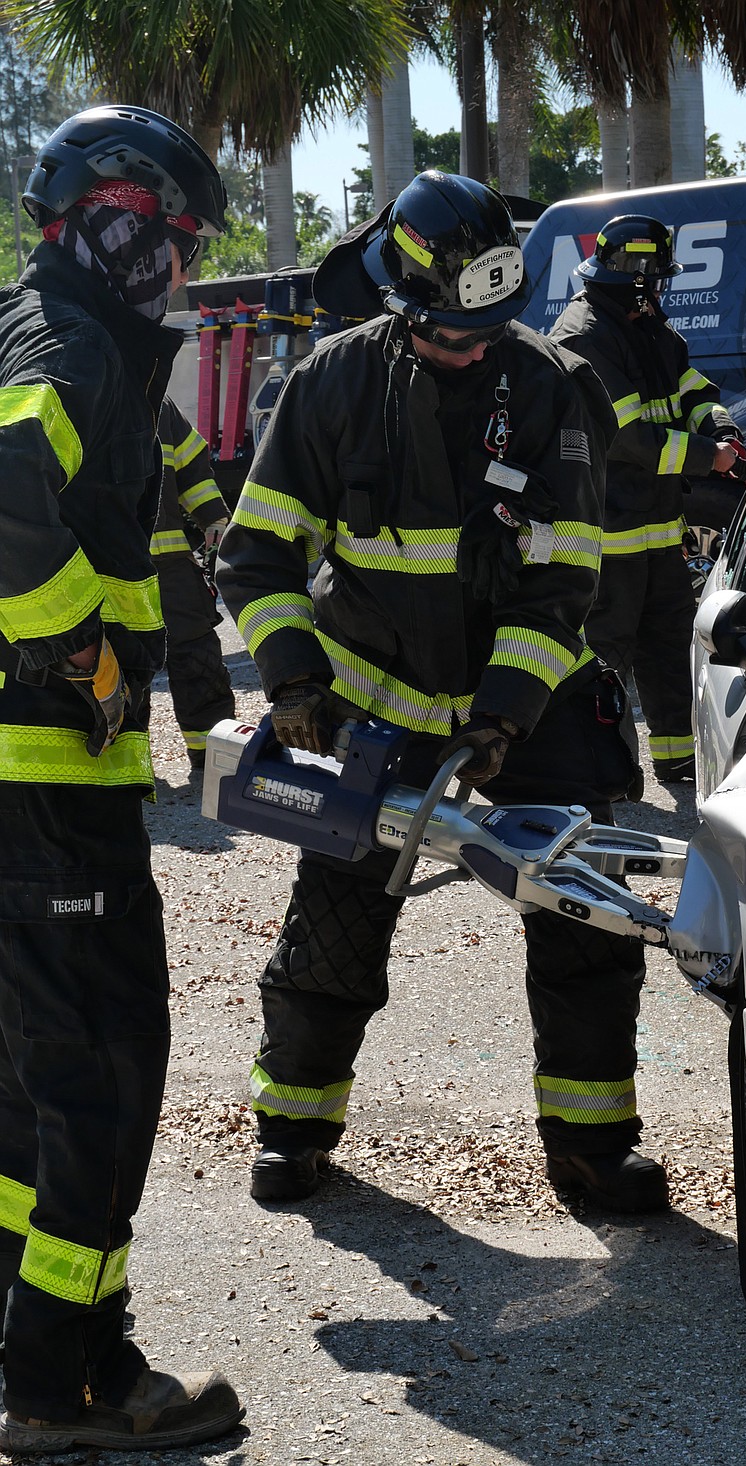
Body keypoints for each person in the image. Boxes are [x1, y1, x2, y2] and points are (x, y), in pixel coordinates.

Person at [216, 170, 669, 1216]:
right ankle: (292, 1127)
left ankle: (593, 1146)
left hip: (527, 710)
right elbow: (257, 556)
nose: (468, 348)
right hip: (367, 704)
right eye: (448, 333)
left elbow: (564, 575)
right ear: (399, 296)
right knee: (331, 928)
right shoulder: (330, 384)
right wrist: (292, 680)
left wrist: (505, 711)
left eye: (484, 333)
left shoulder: (553, 384)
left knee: (581, 924)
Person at [0, 105, 243, 1452]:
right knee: (101, 1070)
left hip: (27, 789)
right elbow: (8, 498)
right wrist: (85, 657)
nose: (178, 272)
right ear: (111, 217)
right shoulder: (68, 342)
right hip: (47, 785)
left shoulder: (32, 325)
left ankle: (53, 1351)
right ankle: (58, 1388)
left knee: (26, 1088)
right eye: (172, 242)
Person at [548, 215, 746, 785]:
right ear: (638, 282)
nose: (661, 290)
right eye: (657, 280)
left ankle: (678, 760)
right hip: (606, 534)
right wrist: (706, 458)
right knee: (605, 655)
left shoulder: (648, 328)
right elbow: (627, 437)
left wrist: (720, 425)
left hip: (657, 528)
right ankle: (605, 772)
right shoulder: (584, 337)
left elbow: (692, 391)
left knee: (666, 645)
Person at [152, 397, 235, 772]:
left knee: (198, 657)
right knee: (117, 664)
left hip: (170, 566)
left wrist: (214, 518)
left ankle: (215, 753)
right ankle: (119, 770)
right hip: (103, 568)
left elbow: (192, 470)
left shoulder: (159, 401)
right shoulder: (75, 385)